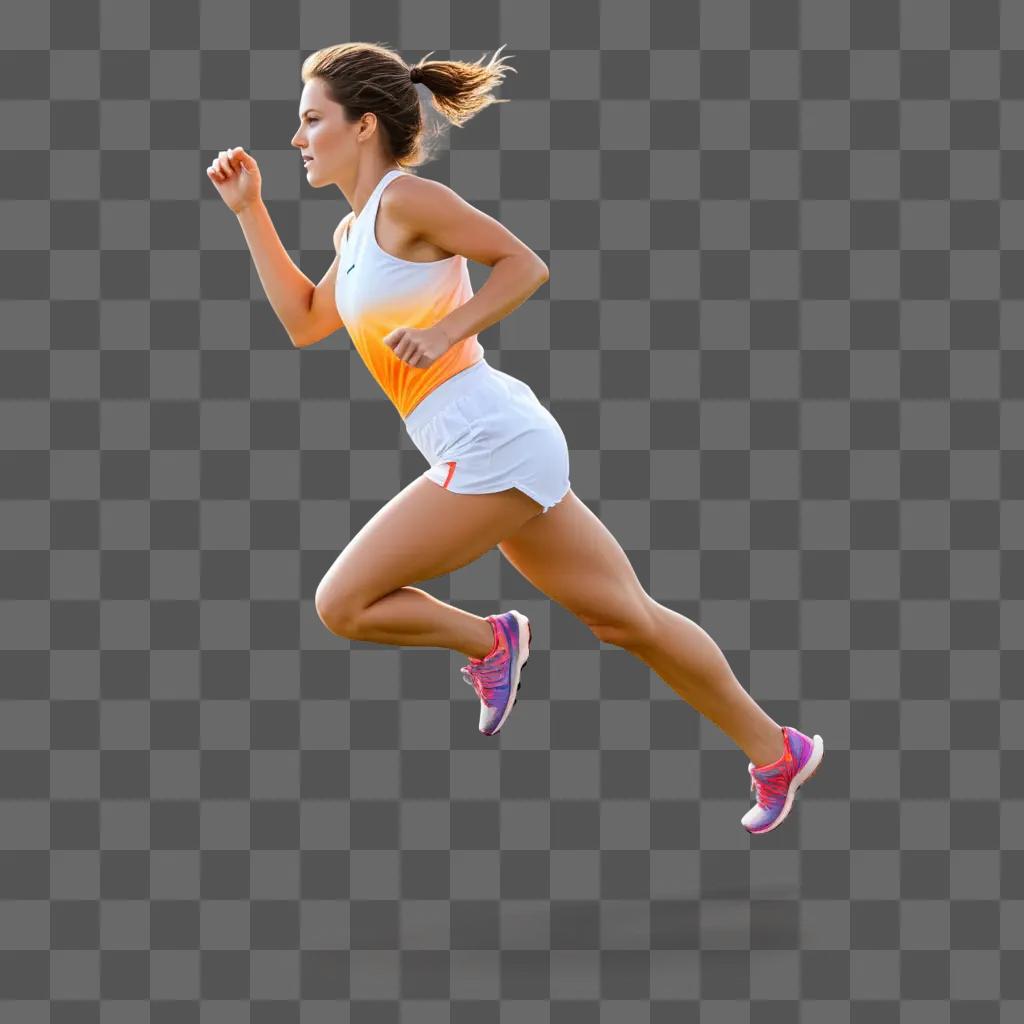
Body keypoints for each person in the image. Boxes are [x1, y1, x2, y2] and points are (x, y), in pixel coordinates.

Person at [205, 42, 824, 835]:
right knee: (625, 617)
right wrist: (250, 211)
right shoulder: (355, 232)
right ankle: (777, 750)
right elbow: (304, 323)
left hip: (489, 438)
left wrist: (447, 331)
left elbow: (521, 265)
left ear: (362, 127)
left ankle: (489, 639)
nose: (297, 138)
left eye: (311, 120)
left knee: (344, 602)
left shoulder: (408, 201)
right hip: (490, 440)